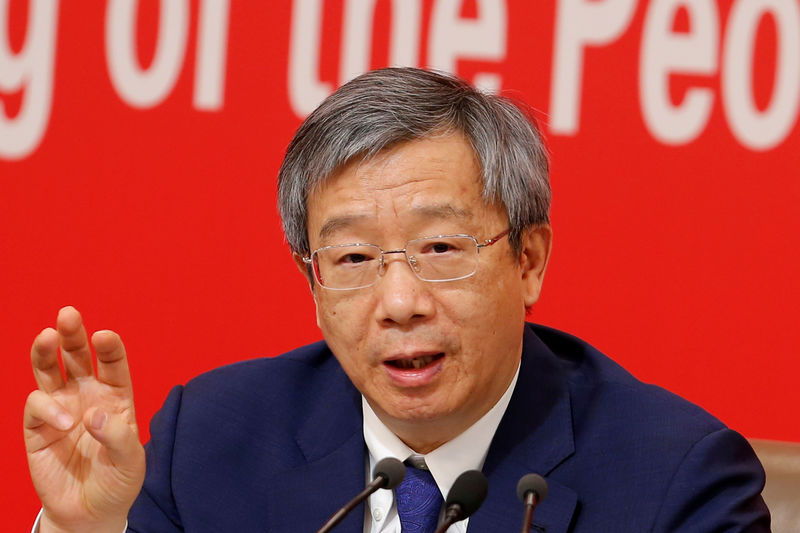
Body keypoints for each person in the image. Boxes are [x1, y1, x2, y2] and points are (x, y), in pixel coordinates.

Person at [24, 67, 769, 532]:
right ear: (313, 283)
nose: (399, 300)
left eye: (440, 249)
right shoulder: (212, 444)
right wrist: (86, 528)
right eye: (352, 258)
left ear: (529, 261)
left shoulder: (676, 483)